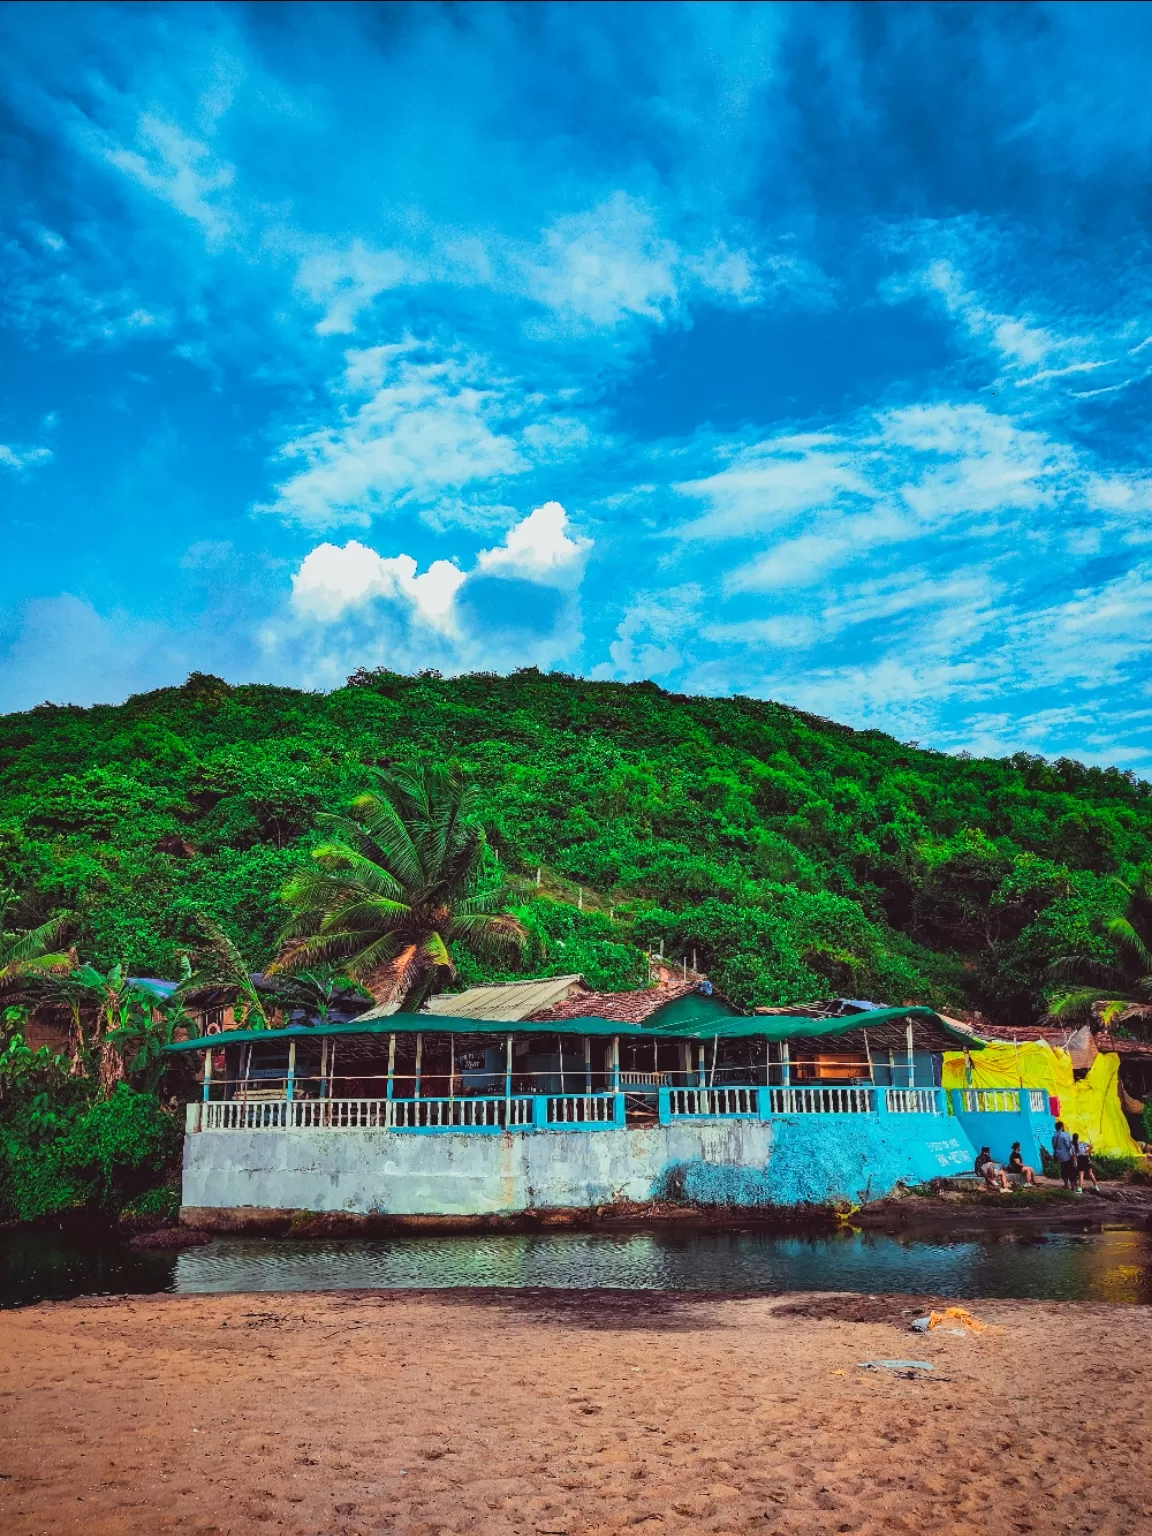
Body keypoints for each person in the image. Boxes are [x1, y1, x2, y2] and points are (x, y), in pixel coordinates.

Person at [1051, 1121, 1078, 1191]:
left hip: (1059, 1156)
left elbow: (1054, 1146)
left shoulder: (1054, 1136)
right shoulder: (1065, 1134)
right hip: (1067, 1156)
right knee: (1071, 1170)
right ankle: (1073, 1186)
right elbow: (1068, 1145)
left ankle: (1066, 1185)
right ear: (1061, 1127)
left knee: (1063, 1170)